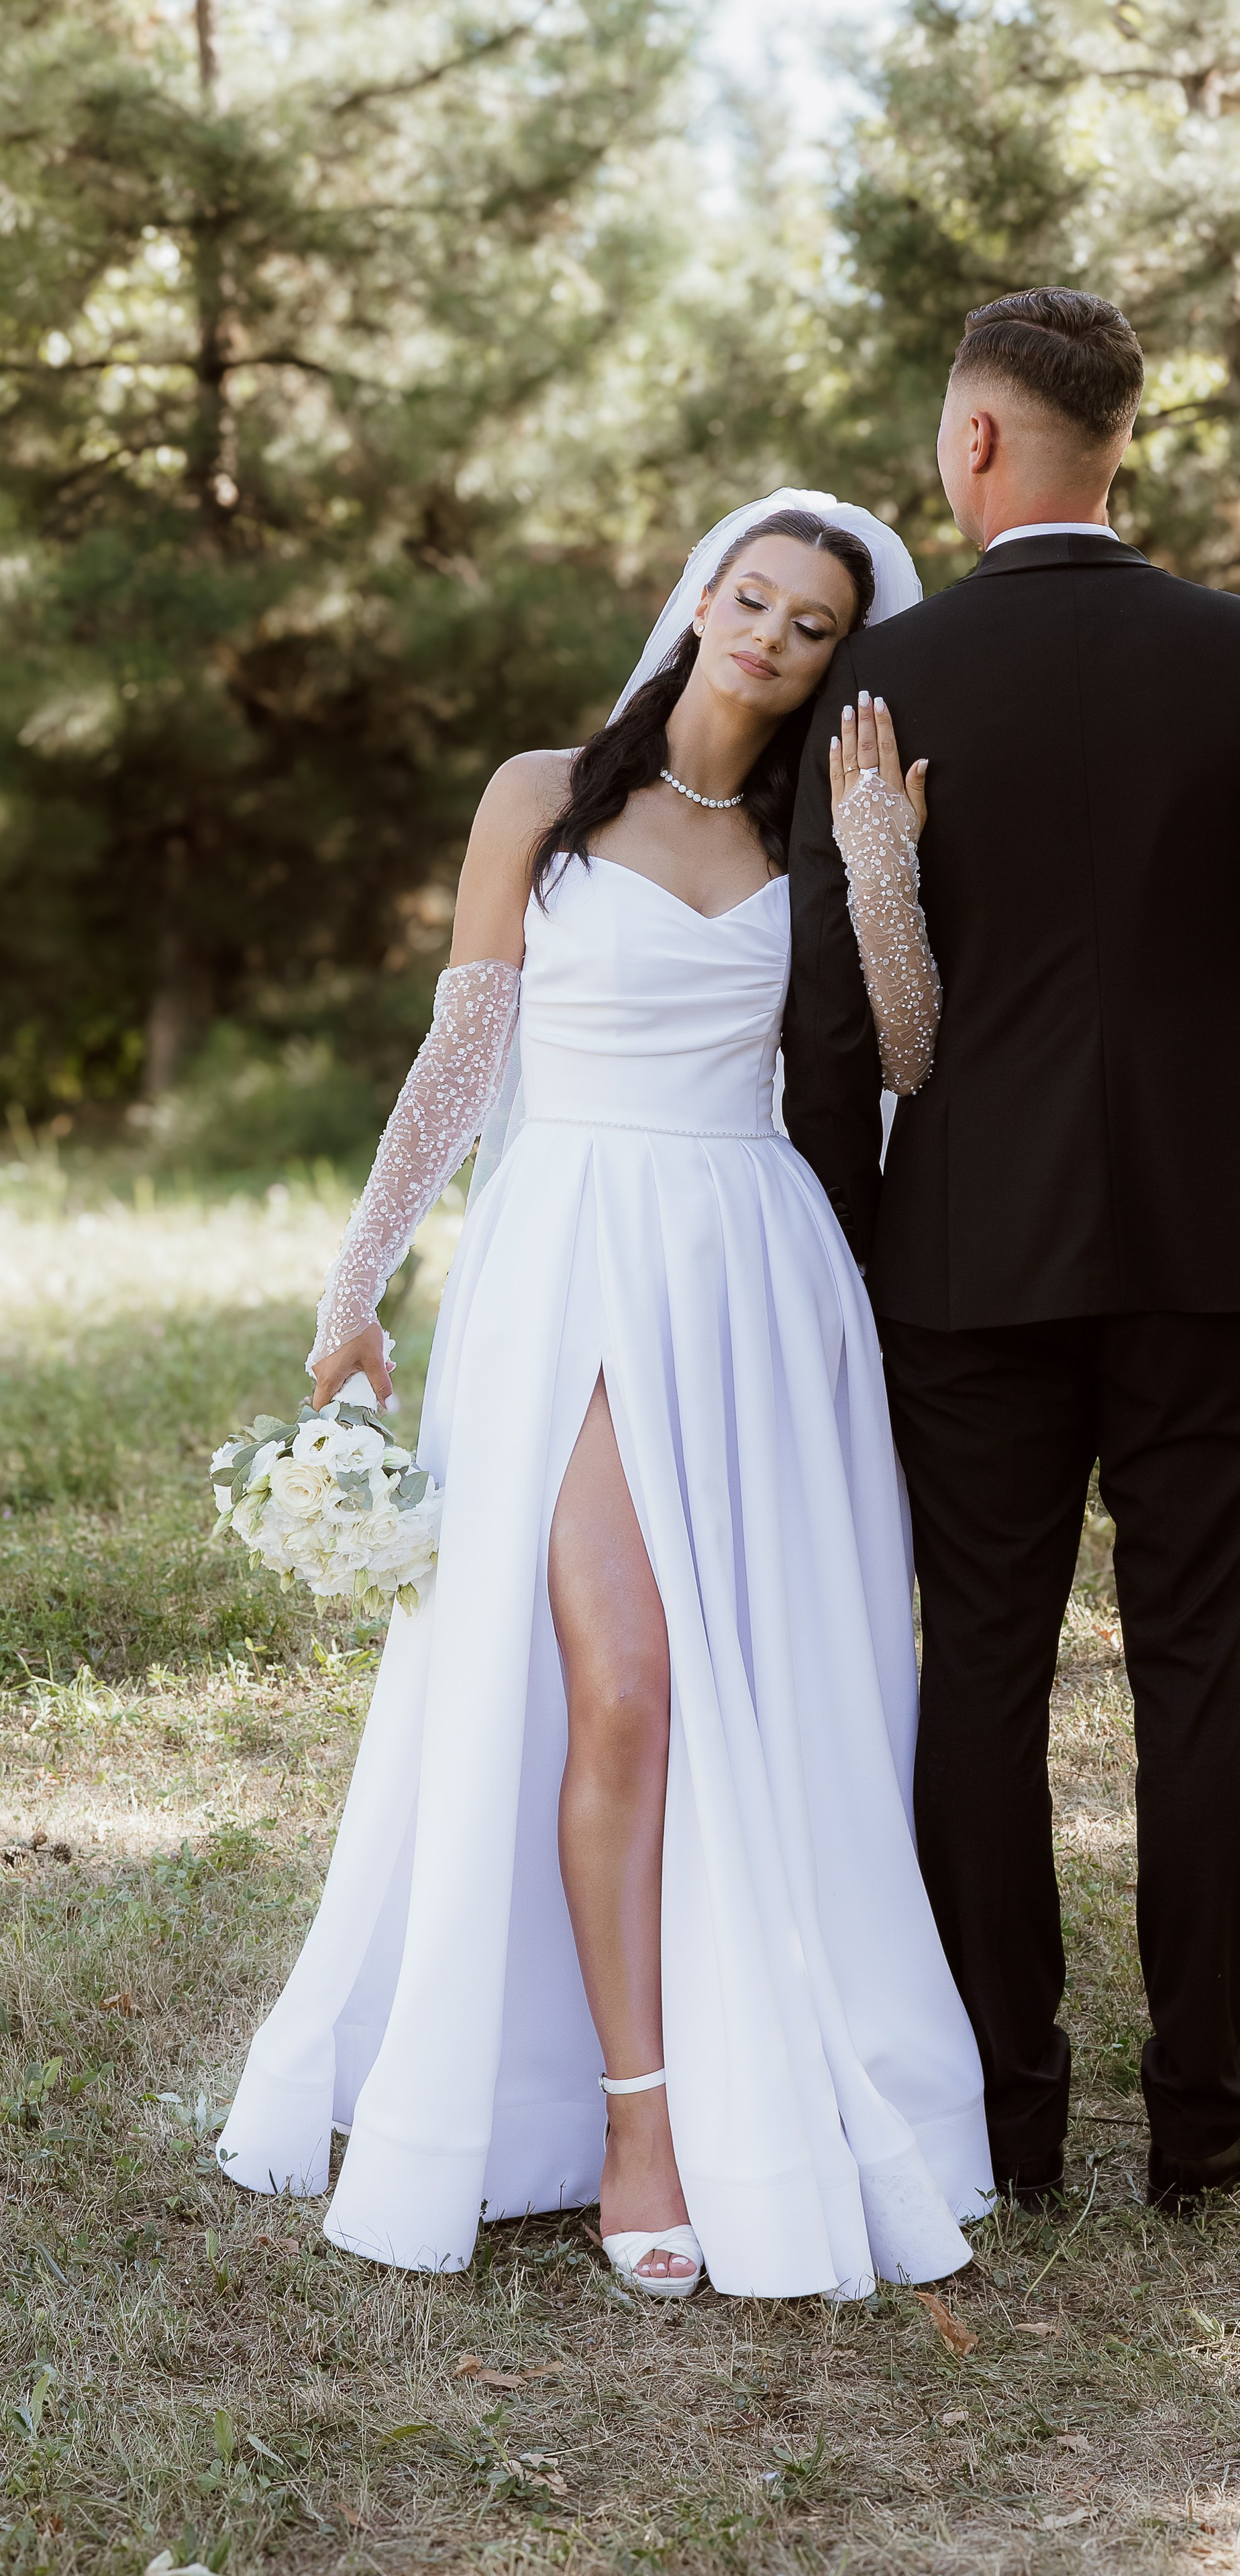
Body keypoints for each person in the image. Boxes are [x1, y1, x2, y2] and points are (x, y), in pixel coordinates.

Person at [217, 494, 993, 2300]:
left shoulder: (817, 834)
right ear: (702, 598)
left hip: (750, 1277)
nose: (774, 640)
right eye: (755, 600)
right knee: (621, 1682)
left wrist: (883, 860)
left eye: (815, 627)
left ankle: (740, 2072)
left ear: (840, 662)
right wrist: (357, 1283)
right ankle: (636, 2119)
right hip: (564, 1257)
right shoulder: (540, 796)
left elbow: (909, 1052)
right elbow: (462, 1050)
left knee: (754, 1693)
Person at [783, 292, 1240, 2213]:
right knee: (1200, 1668)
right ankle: (1207, 2127)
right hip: (1222, 1246)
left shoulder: (883, 684)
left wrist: (865, 1252)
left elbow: (826, 1029)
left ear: (977, 444)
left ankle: (1008, 2125)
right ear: (1119, 443)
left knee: (979, 1673)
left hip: (965, 1268)